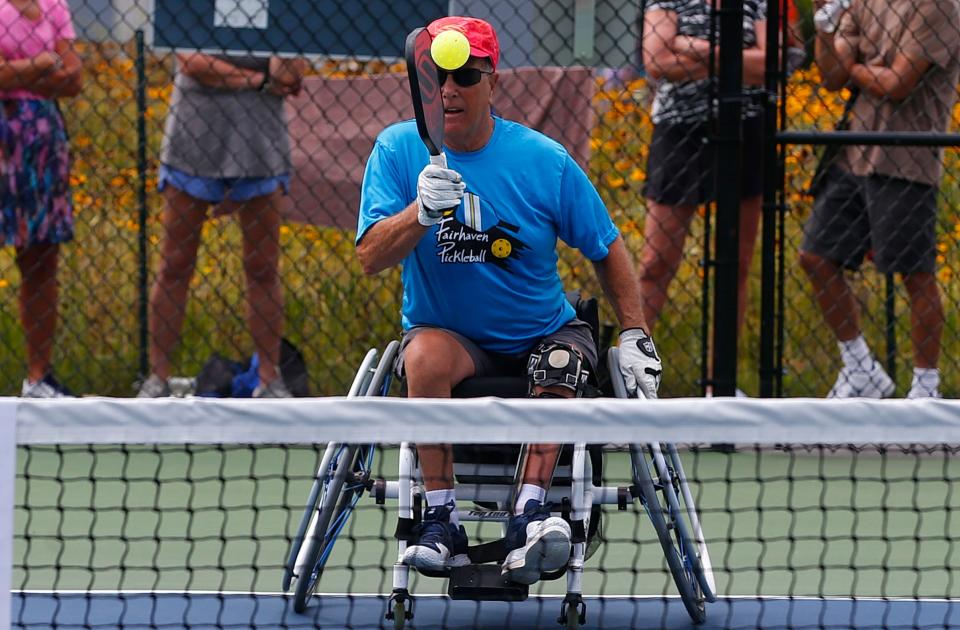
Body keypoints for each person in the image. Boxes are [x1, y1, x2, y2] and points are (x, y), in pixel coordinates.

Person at [356, 16, 661, 584]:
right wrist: (419, 213)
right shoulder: (398, 151)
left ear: (492, 81)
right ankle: (441, 520)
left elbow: (606, 246)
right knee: (419, 358)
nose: (450, 89)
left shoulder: (543, 160)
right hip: (452, 338)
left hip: (541, 332)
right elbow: (371, 255)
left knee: (566, 359)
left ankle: (530, 515)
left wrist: (634, 332)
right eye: (440, 76)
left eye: (466, 76)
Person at [799, 0, 959, 399]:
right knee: (816, 257)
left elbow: (898, 84)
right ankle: (859, 368)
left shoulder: (938, 5)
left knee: (915, 274)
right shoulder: (863, 1)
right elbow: (833, 76)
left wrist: (853, 65)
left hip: (907, 158)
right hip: (853, 153)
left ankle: (926, 387)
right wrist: (825, 29)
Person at [138, 53, 306, 398]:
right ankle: (157, 380)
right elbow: (193, 63)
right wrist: (258, 81)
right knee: (175, 263)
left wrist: (275, 67)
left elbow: (288, 77)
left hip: (261, 141)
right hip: (194, 134)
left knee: (262, 267)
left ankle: (269, 380)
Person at [639, 0, 768, 396]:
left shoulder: (755, 3)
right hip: (679, 133)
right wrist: (731, 62)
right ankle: (632, 377)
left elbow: (767, 66)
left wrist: (692, 47)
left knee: (736, 265)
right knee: (656, 263)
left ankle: (721, 387)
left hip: (746, 132)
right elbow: (657, 62)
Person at [0, 0, 82, 398]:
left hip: (45, 142)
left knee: (41, 258)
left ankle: (38, 378)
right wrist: (42, 64)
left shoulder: (55, 6)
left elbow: (73, 78)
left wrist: (16, 74)